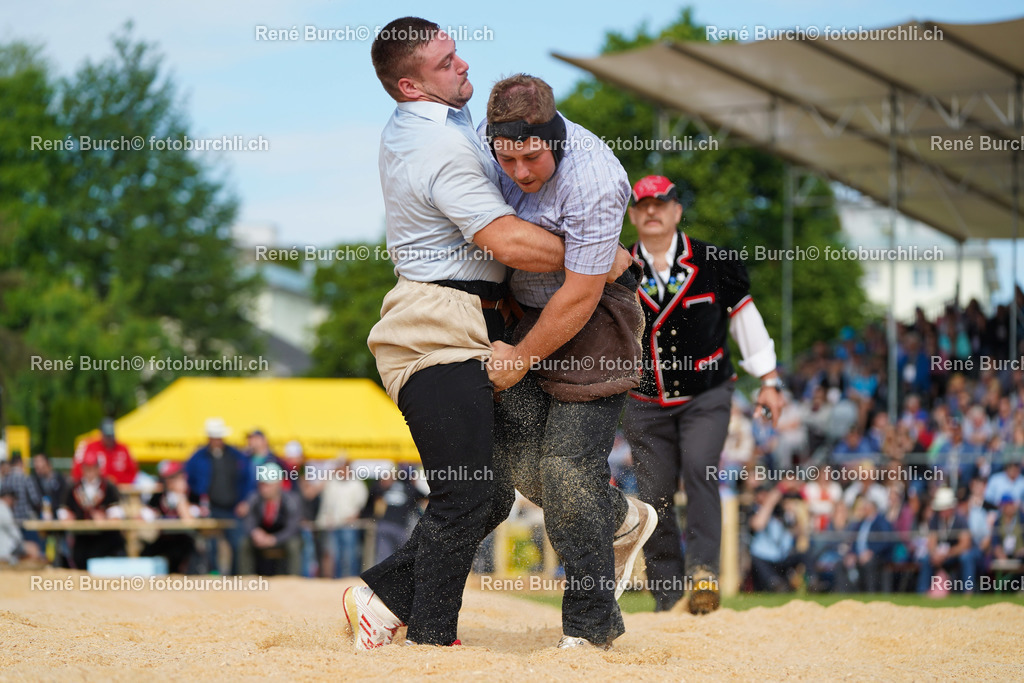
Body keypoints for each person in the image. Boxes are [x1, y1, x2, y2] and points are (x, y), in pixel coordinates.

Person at [347, 16, 627, 651]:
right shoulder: (440, 146)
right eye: (447, 63)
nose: (464, 66)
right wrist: (591, 250)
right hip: (441, 323)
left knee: (500, 488)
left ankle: (389, 601)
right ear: (412, 87)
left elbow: (560, 271)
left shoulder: (446, 125)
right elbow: (503, 241)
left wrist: (591, 254)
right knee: (473, 492)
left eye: (458, 55)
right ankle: (427, 637)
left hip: (489, 320)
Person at [482, 73, 656, 650]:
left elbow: (580, 294)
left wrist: (518, 359)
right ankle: (622, 518)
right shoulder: (488, 149)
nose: (521, 173)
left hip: (595, 316)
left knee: (566, 470)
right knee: (523, 467)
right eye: (508, 160)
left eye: (532, 157)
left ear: (554, 137)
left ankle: (588, 629)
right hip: (524, 312)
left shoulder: (597, 179)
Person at [622, 175, 784, 613]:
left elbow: (745, 321)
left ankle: (704, 575)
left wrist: (769, 382)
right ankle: (667, 595)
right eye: (643, 205)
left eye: (662, 203)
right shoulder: (616, 266)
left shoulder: (716, 262)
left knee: (699, 469)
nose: (652, 211)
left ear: (677, 211)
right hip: (643, 402)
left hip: (706, 395)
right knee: (653, 495)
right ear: (633, 214)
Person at [185, 417, 254, 574]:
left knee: (238, 543)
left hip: (233, 508)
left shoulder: (237, 456)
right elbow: (189, 481)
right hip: (210, 507)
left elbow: (248, 481)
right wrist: (196, 501)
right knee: (211, 546)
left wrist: (245, 502)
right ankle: (213, 574)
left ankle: (236, 576)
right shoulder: (198, 457)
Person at [58, 450, 125, 568]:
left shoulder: (108, 487)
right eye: (87, 468)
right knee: (79, 558)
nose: (89, 472)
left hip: (104, 536)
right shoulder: (74, 487)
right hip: (81, 535)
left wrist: (105, 517)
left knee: (98, 555)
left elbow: (117, 512)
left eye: (92, 468)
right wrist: (67, 516)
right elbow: (63, 509)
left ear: (98, 469)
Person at [238, 463, 302, 576]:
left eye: (268, 485)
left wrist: (274, 539)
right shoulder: (254, 498)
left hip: (281, 538)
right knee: (245, 543)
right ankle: (246, 578)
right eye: (262, 484)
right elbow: (249, 519)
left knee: (294, 544)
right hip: (261, 536)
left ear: (278, 484)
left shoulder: (292, 500)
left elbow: (292, 528)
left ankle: (294, 578)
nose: (264, 489)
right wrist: (255, 533)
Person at [142, 460, 200, 573]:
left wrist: (180, 496)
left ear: (182, 477)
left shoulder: (192, 494)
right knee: (145, 555)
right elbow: (146, 513)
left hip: (185, 539)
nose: (169, 482)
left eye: (172, 478)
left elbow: (189, 520)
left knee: (184, 556)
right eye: (166, 478)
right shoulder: (160, 494)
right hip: (165, 538)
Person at [916, 487, 976, 594]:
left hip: (955, 555)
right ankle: (922, 593)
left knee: (966, 557)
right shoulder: (935, 519)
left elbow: (965, 545)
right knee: (926, 560)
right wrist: (935, 554)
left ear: (950, 508)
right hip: (943, 555)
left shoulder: (960, 519)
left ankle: (968, 591)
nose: (941, 512)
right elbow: (931, 541)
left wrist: (946, 554)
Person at [317, 456, 369, 578]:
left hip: (349, 525)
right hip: (334, 524)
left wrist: (354, 515)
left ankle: (351, 578)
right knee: (336, 555)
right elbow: (326, 503)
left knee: (350, 554)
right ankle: (338, 579)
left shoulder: (356, 484)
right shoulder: (332, 483)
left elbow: (361, 504)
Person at [835, 497, 893, 593]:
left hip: (877, 556)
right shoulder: (861, 523)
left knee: (869, 564)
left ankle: (870, 593)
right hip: (859, 556)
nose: (863, 509)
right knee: (840, 565)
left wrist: (871, 552)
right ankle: (846, 594)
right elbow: (854, 541)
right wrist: (852, 554)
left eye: (865, 507)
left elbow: (886, 541)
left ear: (871, 508)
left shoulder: (881, 522)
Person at [72, 417, 138, 485]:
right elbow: (77, 472)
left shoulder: (123, 449)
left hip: (120, 490)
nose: (110, 439)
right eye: (107, 436)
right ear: (101, 433)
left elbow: (132, 472)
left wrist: (117, 481)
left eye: (111, 435)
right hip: (94, 488)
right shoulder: (89, 446)